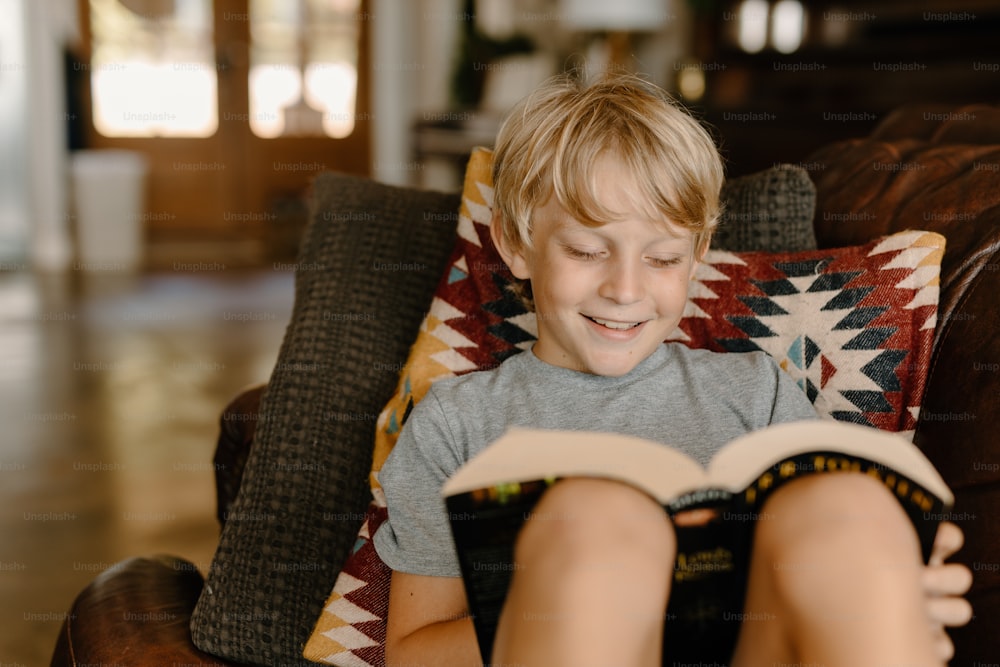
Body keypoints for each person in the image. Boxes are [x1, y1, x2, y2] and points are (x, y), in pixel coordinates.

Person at [373, 73, 972, 666]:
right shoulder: (457, 422)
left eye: (662, 258)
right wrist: (575, 602)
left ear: (698, 257)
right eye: (586, 250)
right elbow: (411, 651)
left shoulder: (754, 391)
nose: (626, 289)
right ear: (516, 244)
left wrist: (892, 588)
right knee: (591, 522)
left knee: (848, 510)